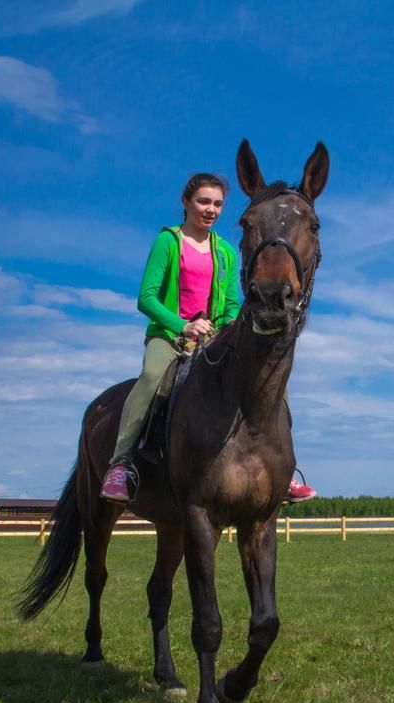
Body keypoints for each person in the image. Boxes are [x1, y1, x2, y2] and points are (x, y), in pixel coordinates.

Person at [100, 172, 317, 504]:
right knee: (152, 376)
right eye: (203, 201)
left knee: (273, 380)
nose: (210, 210)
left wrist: (227, 327)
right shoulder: (168, 242)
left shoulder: (227, 252)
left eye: (217, 204)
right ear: (186, 203)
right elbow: (146, 298)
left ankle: (284, 470)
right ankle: (121, 463)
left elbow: (231, 303)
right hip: (171, 336)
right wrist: (182, 325)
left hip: (215, 337)